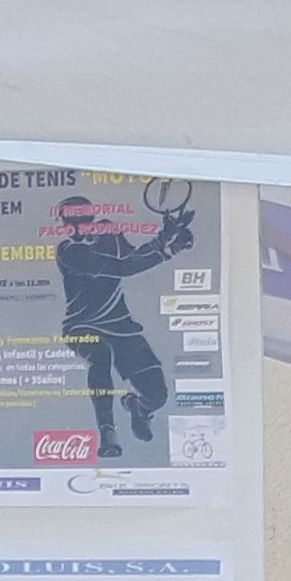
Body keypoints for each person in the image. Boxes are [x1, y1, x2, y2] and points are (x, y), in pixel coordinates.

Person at [51, 192, 198, 458]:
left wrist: (165, 237)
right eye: (67, 221)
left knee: (157, 396)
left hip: (121, 326)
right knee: (100, 356)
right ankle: (108, 432)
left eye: (79, 218)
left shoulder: (109, 232)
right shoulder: (68, 251)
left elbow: (133, 257)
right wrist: (169, 248)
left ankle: (138, 408)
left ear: (90, 217)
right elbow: (123, 268)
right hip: (82, 326)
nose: (73, 226)